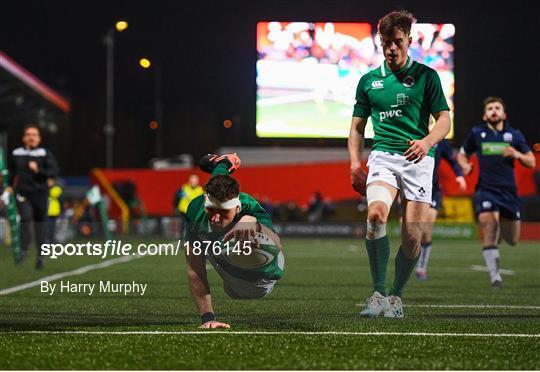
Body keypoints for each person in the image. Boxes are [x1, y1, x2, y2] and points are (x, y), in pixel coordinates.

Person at [348, 10, 451, 318]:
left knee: (412, 239)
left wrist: (427, 142)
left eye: (397, 42)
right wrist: (355, 163)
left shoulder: (427, 77)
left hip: (419, 161)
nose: (391, 48)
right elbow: (356, 128)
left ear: (409, 40)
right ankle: (378, 292)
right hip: (383, 156)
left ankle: (396, 296)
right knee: (376, 216)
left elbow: (444, 119)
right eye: (386, 42)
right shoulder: (368, 81)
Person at [184, 153, 284, 329]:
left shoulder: (248, 206)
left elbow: (276, 243)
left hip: (263, 280)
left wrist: (253, 223)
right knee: (201, 244)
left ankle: (223, 163)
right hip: (226, 268)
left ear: (237, 208)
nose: (215, 218)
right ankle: (223, 163)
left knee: (241, 241)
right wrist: (208, 318)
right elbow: (195, 269)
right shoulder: (196, 209)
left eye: (223, 213)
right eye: (211, 210)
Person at [457, 97, 535, 288]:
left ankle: (500, 229)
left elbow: (531, 161)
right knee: (490, 227)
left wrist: (517, 154)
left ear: (504, 114)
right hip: (486, 190)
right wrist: (465, 166)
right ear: (485, 115)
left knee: (513, 240)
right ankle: (495, 277)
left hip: (509, 193)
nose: (493, 111)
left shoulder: (514, 135)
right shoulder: (477, 133)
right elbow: (461, 154)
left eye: (497, 108)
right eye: (490, 108)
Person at [7, 124, 59, 269]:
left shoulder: (44, 153)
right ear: (24, 138)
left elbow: (53, 172)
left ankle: (41, 256)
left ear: (39, 138)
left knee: (40, 224)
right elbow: (10, 173)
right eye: (29, 134)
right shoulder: (16, 153)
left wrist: (38, 170)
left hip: (40, 194)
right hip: (23, 193)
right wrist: (9, 187)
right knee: (24, 218)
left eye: (34, 135)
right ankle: (23, 252)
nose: (31, 137)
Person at [415, 139, 467, 280]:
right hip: (410, 188)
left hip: (432, 190)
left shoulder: (439, 141)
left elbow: (453, 161)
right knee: (410, 232)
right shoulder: (409, 132)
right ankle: (408, 263)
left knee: (426, 231)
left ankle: (421, 267)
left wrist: (460, 176)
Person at [46, 178, 63, 244]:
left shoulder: (56, 188)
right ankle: (47, 241)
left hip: (54, 212)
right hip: (47, 212)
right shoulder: (45, 188)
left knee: (52, 228)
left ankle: (51, 241)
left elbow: (54, 194)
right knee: (47, 228)